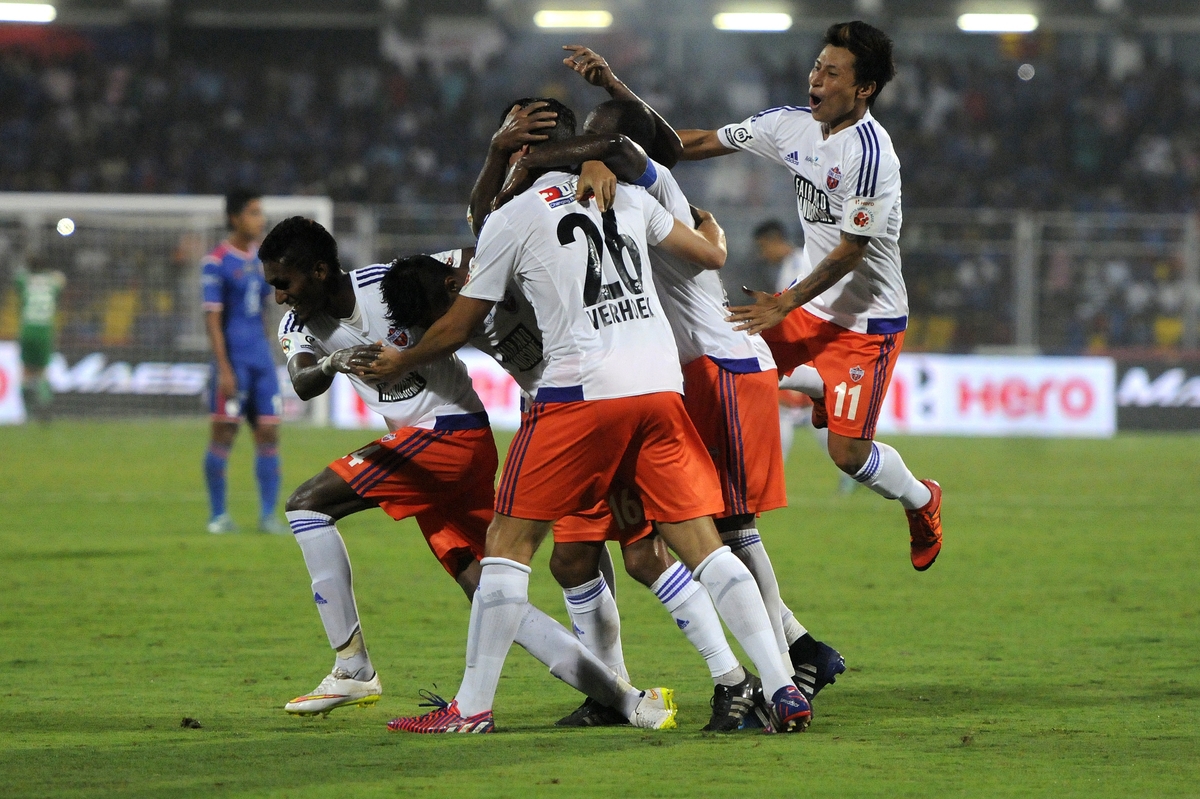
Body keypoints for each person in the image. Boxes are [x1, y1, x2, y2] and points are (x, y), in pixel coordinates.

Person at [364, 98, 812, 735]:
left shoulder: (511, 220)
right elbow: (706, 254)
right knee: (698, 547)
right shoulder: (627, 196)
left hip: (579, 395)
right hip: (658, 388)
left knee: (507, 545)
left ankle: (471, 709)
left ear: (525, 152)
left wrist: (399, 361)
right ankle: (780, 687)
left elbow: (461, 319)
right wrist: (710, 232)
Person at [260, 216, 677, 731]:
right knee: (492, 593)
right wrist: (330, 364)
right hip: (430, 455)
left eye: (284, 283)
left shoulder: (389, 284)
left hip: (448, 434)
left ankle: (353, 666)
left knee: (306, 506)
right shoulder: (297, 325)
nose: (279, 296)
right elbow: (303, 380)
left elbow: (470, 262)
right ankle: (630, 702)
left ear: (320, 271)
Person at [676, 21, 943, 571]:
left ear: (864, 88)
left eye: (832, 72)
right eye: (817, 67)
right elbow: (701, 141)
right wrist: (622, 148)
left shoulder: (871, 156)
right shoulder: (789, 126)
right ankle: (808, 399)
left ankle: (922, 501)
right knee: (722, 364)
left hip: (867, 322)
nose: (815, 79)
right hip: (809, 306)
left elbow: (851, 251)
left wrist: (784, 302)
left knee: (848, 455)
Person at [201, 189, 284, 535]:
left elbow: (265, 308)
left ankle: (268, 517)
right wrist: (224, 368)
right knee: (225, 433)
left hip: (261, 360)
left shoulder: (261, 259)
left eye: (260, 213)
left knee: (269, 432)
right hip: (233, 361)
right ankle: (218, 516)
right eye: (252, 213)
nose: (259, 220)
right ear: (234, 218)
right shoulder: (216, 261)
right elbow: (212, 320)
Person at [755, 220, 859, 494]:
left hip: (806, 346)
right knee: (805, 411)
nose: (763, 254)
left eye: (763, 247)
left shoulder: (797, 263)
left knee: (787, 409)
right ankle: (853, 467)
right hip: (807, 346)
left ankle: (770, 478)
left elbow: (800, 310)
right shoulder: (793, 263)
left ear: (775, 241)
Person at [14, 265, 65, 423]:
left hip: (28, 329)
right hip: (45, 330)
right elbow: (61, 279)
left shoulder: (25, 280)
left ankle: (27, 413)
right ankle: (45, 406)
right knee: (42, 372)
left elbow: (17, 277)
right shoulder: (52, 282)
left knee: (26, 372)